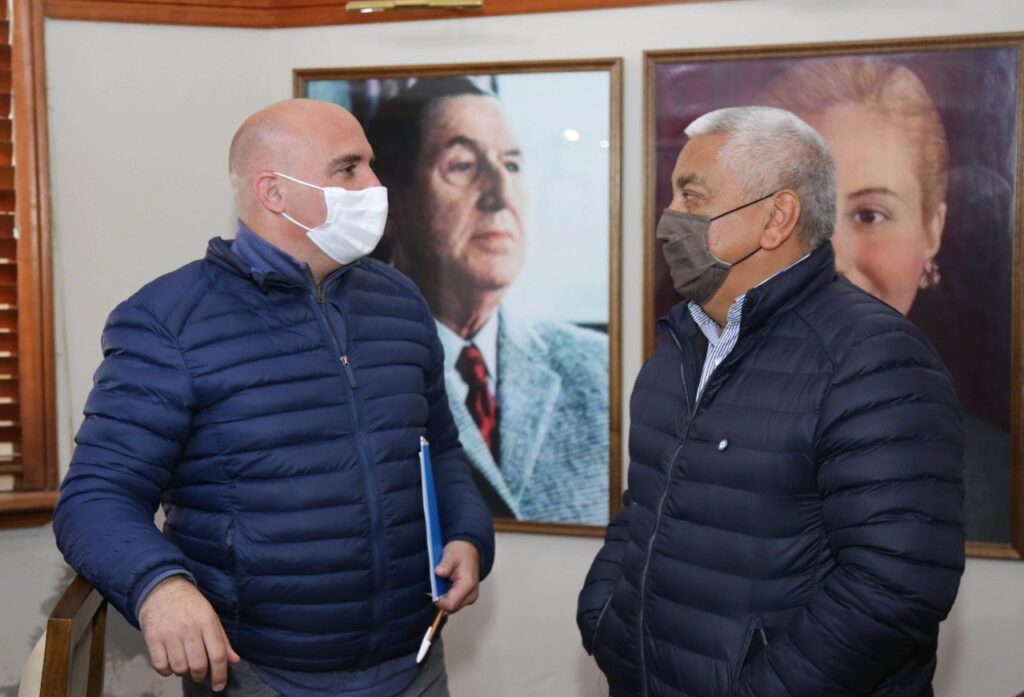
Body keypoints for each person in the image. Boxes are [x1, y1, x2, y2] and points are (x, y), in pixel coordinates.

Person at [53, 98, 495, 696]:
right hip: (261, 674)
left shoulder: (399, 300)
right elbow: (95, 498)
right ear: (274, 192)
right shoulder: (167, 321)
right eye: (349, 168)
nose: (374, 185)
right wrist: (160, 586)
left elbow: (438, 445)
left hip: (413, 659)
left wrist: (467, 531)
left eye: (370, 165)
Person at [578, 106, 964, 696]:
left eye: (691, 195)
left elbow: (894, 585)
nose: (667, 220)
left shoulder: (872, 355)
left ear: (776, 217)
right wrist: (605, 619)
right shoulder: (679, 345)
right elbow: (644, 510)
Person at [758, 57, 1010, 543]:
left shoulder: (997, 478)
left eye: (870, 215)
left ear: (932, 229)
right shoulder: (688, 436)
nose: (832, 259)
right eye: (799, 216)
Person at [365, 77, 609, 525]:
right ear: (392, 202)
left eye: (511, 165)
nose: (500, 194)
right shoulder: (356, 364)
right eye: (462, 166)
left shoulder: (598, 367)